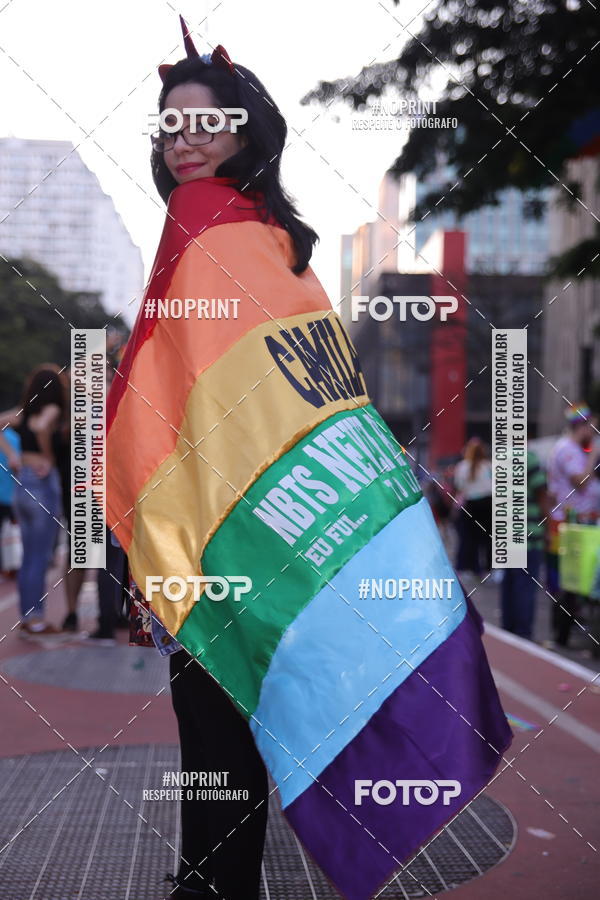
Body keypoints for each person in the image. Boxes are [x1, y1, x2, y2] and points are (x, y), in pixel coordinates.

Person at [109, 25, 320, 900]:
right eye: (169, 124)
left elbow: (164, 388)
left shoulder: (203, 221)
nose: (184, 138)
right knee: (240, 718)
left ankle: (213, 881)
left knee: (211, 722)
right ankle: (217, 875)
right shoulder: (280, 237)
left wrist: (138, 540)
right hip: (281, 516)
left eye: (207, 120)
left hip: (216, 527)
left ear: (248, 131)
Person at [0, 365, 67, 636]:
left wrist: (13, 457)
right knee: (40, 556)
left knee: (29, 557)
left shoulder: (22, 412)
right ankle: (36, 618)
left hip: (22, 483)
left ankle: (28, 617)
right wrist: (49, 456)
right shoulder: (51, 411)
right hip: (42, 483)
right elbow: (41, 426)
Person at [547, 403, 600, 646]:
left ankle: (565, 626)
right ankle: (562, 629)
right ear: (583, 425)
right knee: (570, 578)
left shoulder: (573, 448)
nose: (595, 432)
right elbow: (580, 482)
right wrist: (593, 455)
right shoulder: (568, 450)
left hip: (578, 523)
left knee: (573, 577)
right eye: (593, 427)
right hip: (570, 524)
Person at [500, 448, 547, 639]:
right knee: (525, 585)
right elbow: (541, 494)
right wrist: (549, 524)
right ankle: (522, 633)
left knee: (510, 583)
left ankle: (508, 630)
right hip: (529, 532)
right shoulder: (530, 459)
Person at [454, 437, 493, 575]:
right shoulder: (489, 466)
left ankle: (470, 568)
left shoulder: (462, 467)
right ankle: (490, 568)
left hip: (471, 504)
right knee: (489, 538)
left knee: (470, 538)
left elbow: (459, 486)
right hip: (488, 503)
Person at [0, 425, 20, 574]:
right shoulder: (15, 438)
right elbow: (18, 465)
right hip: (11, 494)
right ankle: (11, 566)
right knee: (13, 533)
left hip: (6, 494)